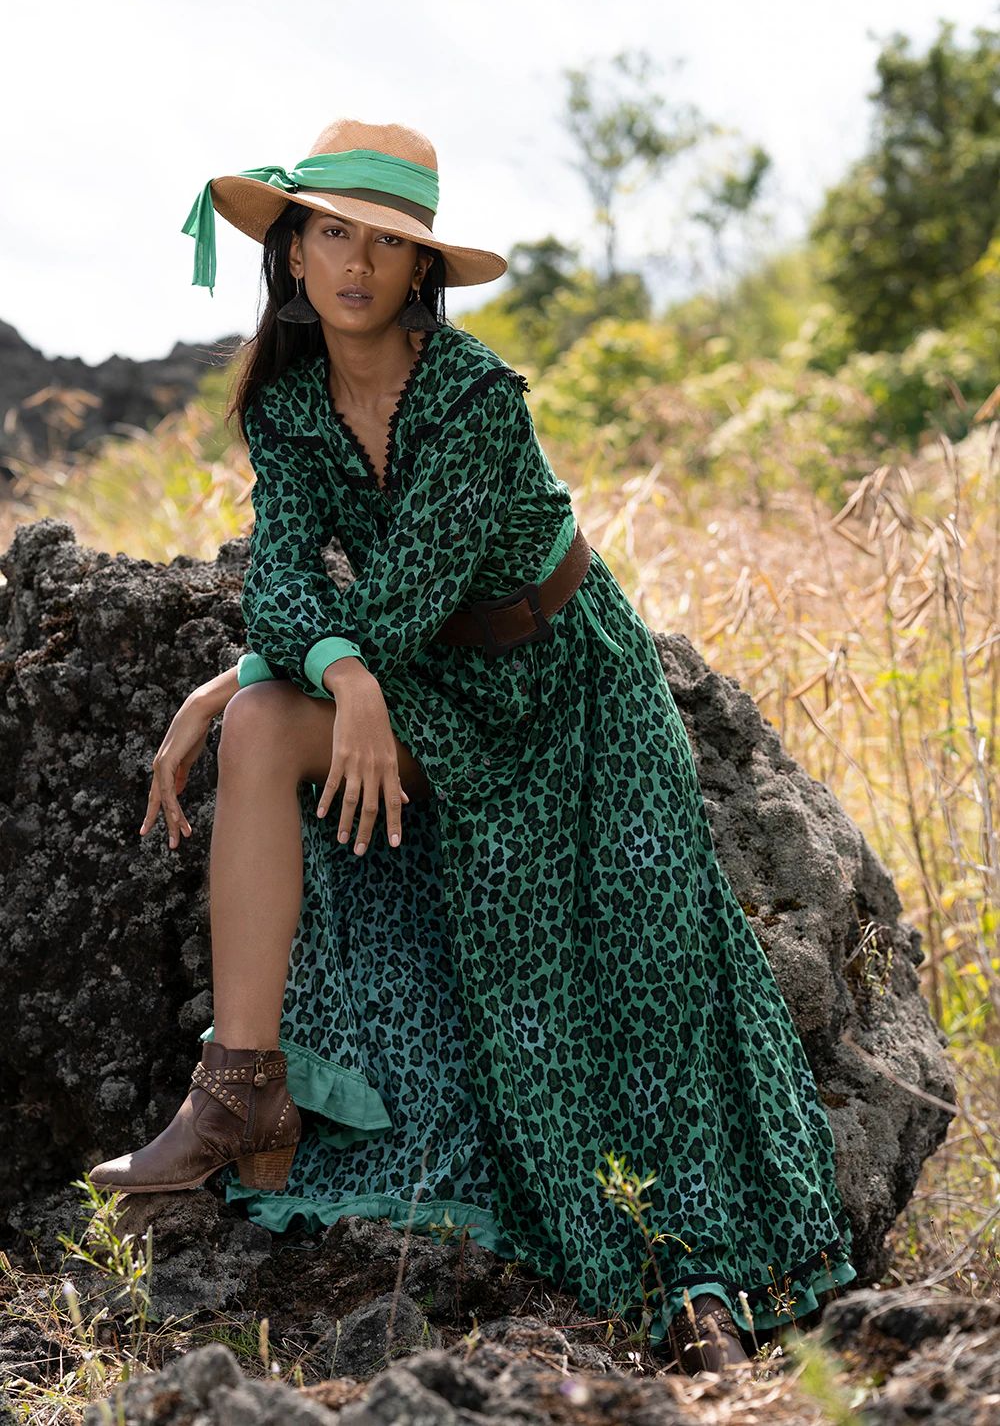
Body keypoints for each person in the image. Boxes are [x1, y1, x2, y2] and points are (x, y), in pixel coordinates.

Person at [87, 118, 857, 1376]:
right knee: (267, 724)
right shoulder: (285, 404)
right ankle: (240, 1089)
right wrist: (277, 680)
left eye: (386, 244)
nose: (356, 263)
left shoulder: (473, 396)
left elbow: (399, 600)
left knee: (635, 975)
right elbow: (283, 577)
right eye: (331, 232)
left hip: (566, 687)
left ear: (419, 270)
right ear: (292, 253)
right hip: (426, 684)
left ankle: (691, 1267)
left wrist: (287, 669)